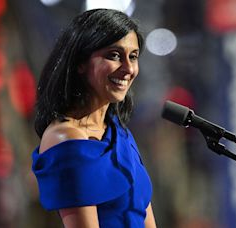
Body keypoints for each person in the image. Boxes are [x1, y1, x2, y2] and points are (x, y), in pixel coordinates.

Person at [31, 8, 156, 228]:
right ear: (80, 62)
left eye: (133, 57)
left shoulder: (120, 133)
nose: (128, 69)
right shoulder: (66, 139)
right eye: (114, 55)